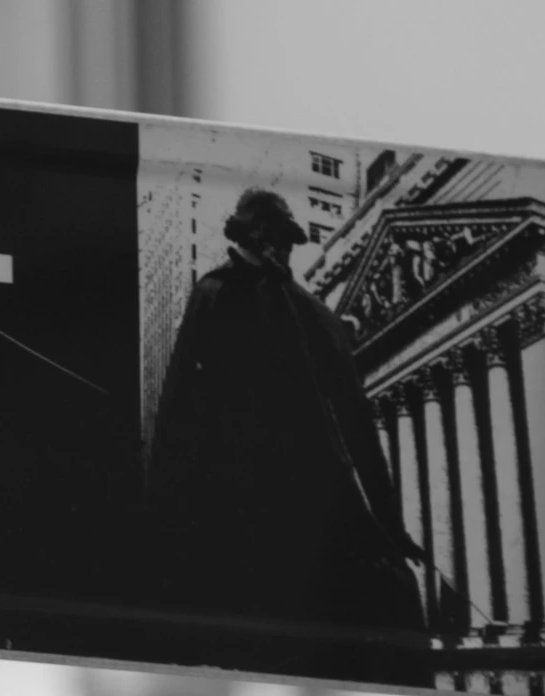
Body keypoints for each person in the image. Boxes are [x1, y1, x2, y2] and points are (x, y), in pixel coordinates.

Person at [146, 189, 427, 685]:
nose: (276, 250)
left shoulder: (245, 300)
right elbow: (360, 434)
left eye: (278, 240)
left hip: (262, 515)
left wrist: (388, 523)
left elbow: (180, 416)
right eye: (274, 239)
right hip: (285, 514)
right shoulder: (292, 309)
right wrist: (387, 522)